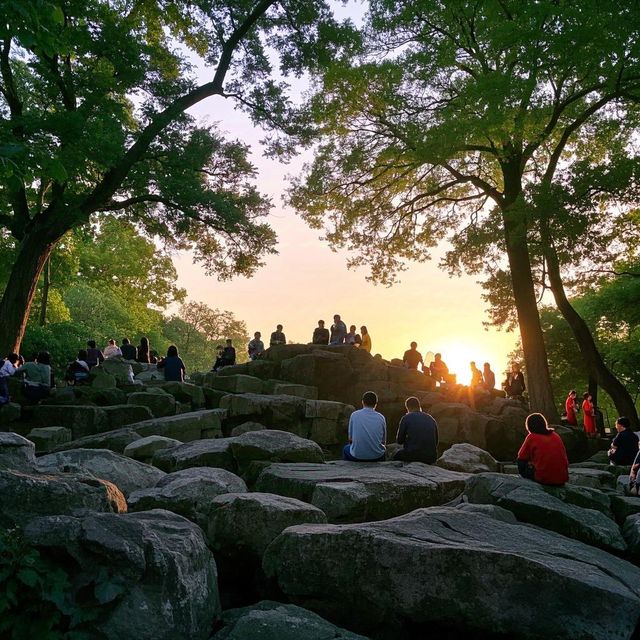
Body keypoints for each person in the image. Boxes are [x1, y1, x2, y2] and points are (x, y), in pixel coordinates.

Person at [517, 413, 569, 486]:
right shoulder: (555, 435)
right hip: (562, 478)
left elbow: (521, 458)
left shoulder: (532, 437)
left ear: (529, 426)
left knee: (523, 465)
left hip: (544, 479)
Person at [342, 391, 387, 462]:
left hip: (357, 456)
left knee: (345, 448)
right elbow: (383, 441)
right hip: (377, 457)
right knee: (383, 451)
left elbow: (350, 439)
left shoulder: (354, 415)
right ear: (376, 404)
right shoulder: (381, 417)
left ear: (362, 402)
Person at [393, 396, 439, 463]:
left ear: (407, 407)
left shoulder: (406, 418)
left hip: (413, 456)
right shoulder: (431, 418)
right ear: (419, 406)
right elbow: (436, 441)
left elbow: (399, 441)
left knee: (395, 455)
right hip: (431, 457)